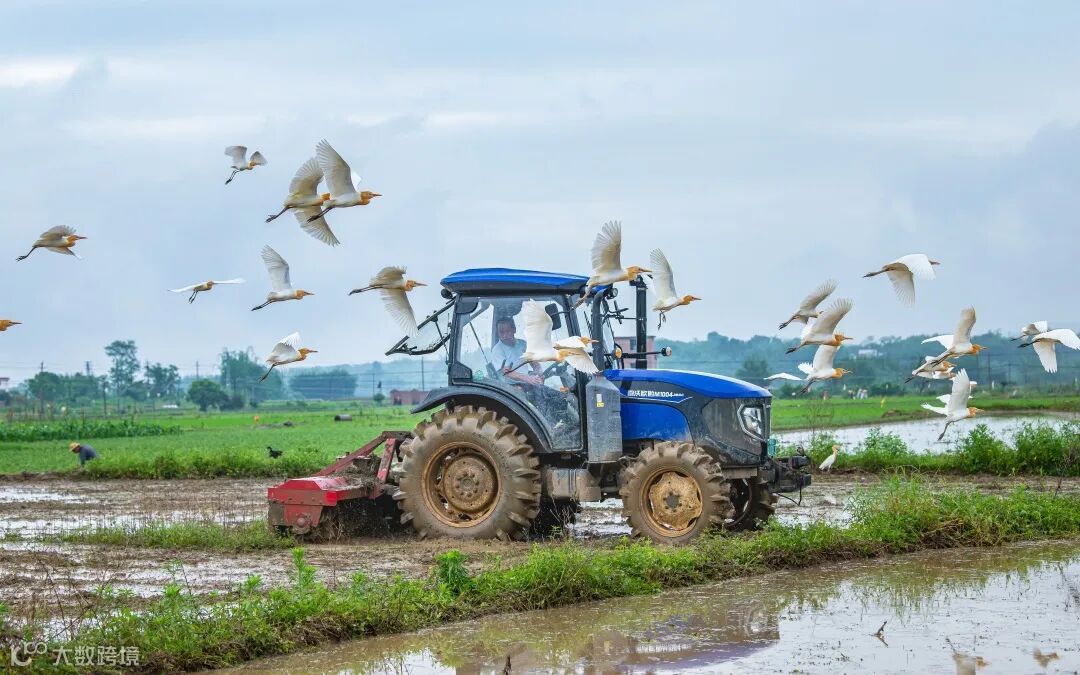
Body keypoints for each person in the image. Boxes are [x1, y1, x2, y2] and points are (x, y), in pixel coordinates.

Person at [489, 316, 544, 386]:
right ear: (498, 333)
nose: (505, 335)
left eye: (507, 331)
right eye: (501, 332)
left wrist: (538, 374)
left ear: (514, 330)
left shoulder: (523, 344)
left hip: (526, 383)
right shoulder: (497, 350)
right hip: (508, 387)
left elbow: (535, 364)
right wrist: (528, 378)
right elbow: (506, 372)